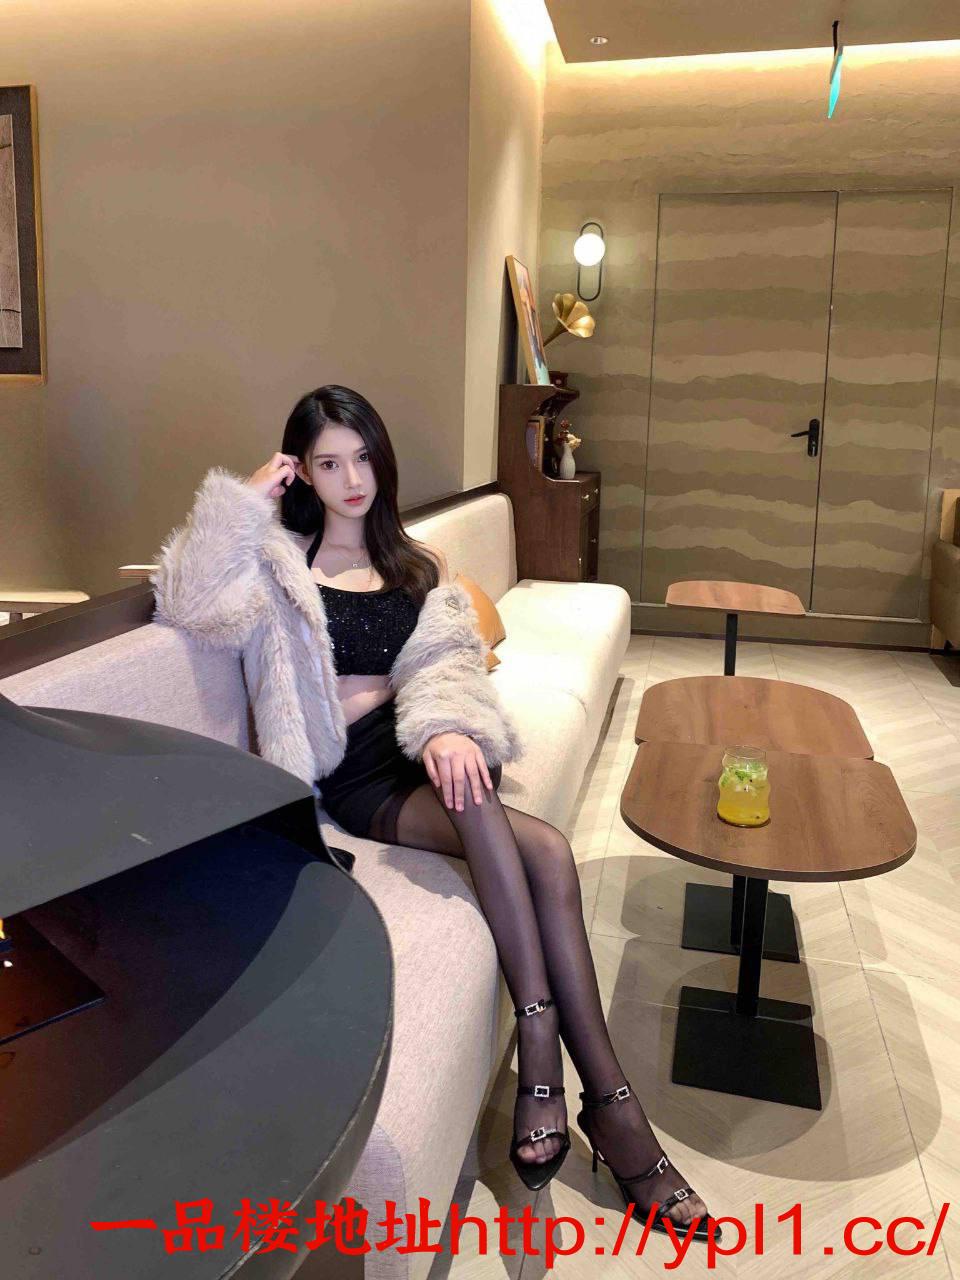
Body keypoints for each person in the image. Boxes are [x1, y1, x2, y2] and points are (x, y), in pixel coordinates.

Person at [155, 385, 720, 1242]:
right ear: (303, 472)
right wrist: (242, 503)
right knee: (509, 824)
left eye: (362, 458)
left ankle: (580, 1084)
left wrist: (449, 724)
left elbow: (449, 664)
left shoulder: (417, 565)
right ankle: (594, 1097)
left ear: (382, 459)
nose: (352, 479)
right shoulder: (277, 566)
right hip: (356, 778)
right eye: (328, 463)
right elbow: (187, 605)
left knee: (548, 852)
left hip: (421, 746)